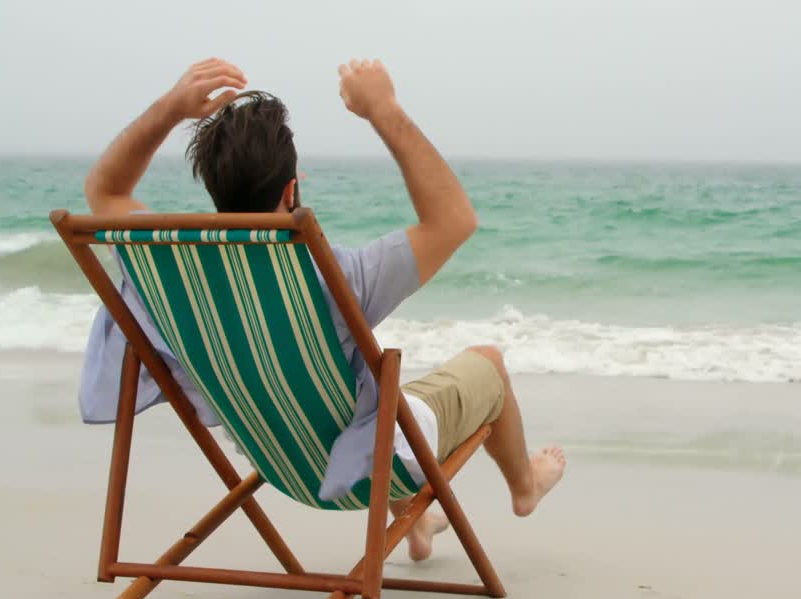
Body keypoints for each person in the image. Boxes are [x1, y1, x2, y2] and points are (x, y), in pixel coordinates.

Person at [79, 57, 565, 561]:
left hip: (275, 461)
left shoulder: (168, 266)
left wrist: (170, 109)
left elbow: (105, 190)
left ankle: (416, 520)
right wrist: (383, 110)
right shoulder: (338, 278)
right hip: (362, 473)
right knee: (486, 361)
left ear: (213, 185)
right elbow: (454, 219)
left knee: (347, 401)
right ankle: (525, 486)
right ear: (292, 189)